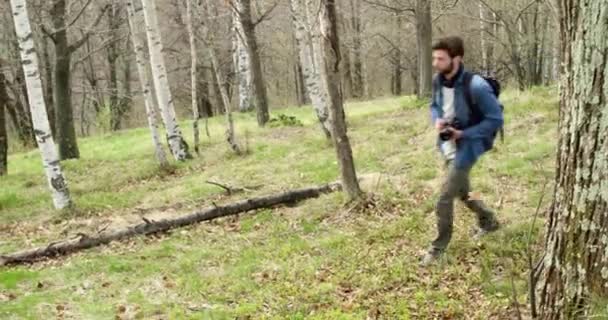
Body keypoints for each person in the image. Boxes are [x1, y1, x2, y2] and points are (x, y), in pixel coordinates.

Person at [421, 36, 503, 266]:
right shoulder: (438, 80)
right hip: (447, 145)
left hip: (467, 147)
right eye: (434, 58)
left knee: (444, 197)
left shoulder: (476, 86)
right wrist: (438, 120)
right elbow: (435, 105)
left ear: (456, 59)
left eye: (441, 58)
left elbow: (495, 118)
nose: (435, 63)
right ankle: (489, 220)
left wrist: (463, 134)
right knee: (462, 193)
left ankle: (437, 250)